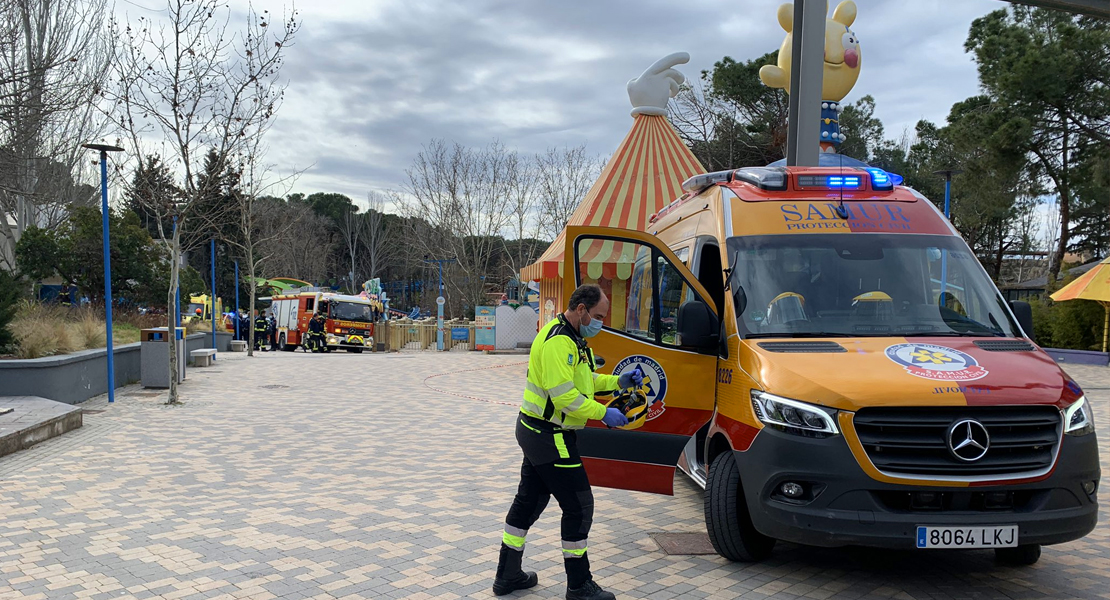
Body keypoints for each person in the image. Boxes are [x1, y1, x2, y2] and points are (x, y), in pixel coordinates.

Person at [492, 284, 643, 600]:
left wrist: (619, 381)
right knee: (578, 506)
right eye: (598, 316)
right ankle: (579, 585)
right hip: (549, 435)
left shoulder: (574, 339)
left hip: (539, 432)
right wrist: (604, 413)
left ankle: (508, 575)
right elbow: (565, 397)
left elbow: (585, 380)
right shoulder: (559, 342)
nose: (599, 322)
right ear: (581, 309)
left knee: (529, 502)